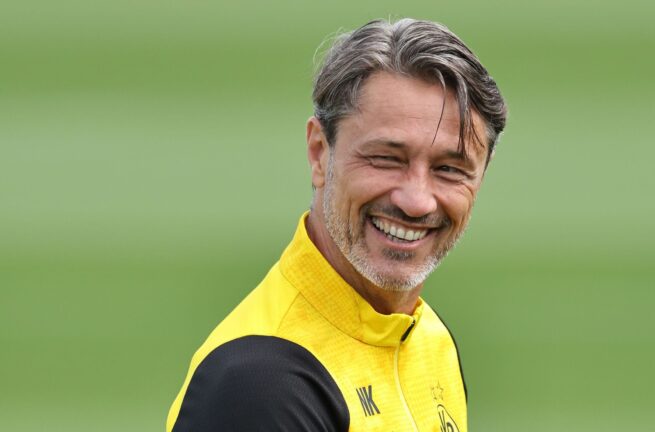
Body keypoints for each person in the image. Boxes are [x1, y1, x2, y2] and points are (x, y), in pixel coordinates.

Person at [166, 18, 506, 432]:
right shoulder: (259, 386)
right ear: (319, 152)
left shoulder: (429, 339)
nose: (417, 201)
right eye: (386, 159)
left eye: (450, 169)